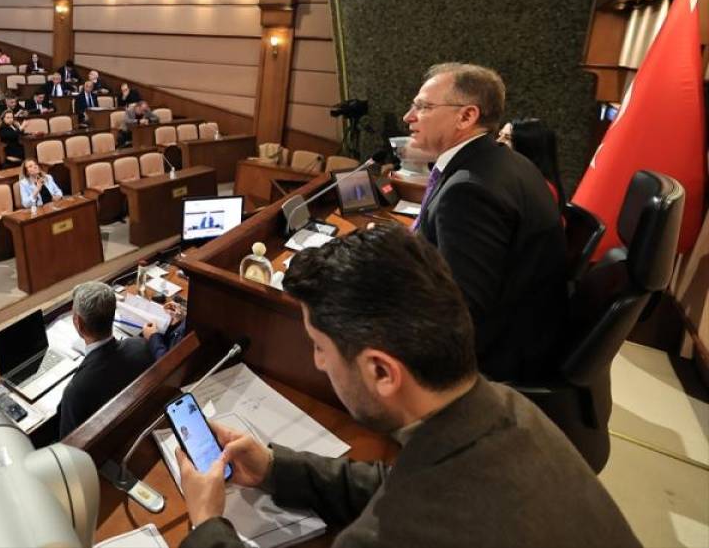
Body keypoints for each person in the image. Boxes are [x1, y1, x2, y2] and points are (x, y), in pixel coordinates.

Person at [175, 225, 641, 548]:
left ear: (382, 372)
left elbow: (414, 502)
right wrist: (276, 469)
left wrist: (208, 524)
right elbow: (399, 481)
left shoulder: (393, 534)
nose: (317, 362)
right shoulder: (509, 408)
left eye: (319, 346)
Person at [403, 63, 566, 383]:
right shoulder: (504, 161)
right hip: (525, 330)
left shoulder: (469, 190)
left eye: (423, 107)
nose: (408, 116)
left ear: (466, 116)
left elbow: (462, 308)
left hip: (497, 354)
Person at [58, 282, 153, 437]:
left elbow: (68, 444)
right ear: (113, 315)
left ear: (78, 323)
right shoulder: (141, 346)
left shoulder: (76, 391)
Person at [497, 117, 566, 210]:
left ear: (527, 148)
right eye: (500, 135)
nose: (498, 141)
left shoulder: (541, 191)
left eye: (507, 138)